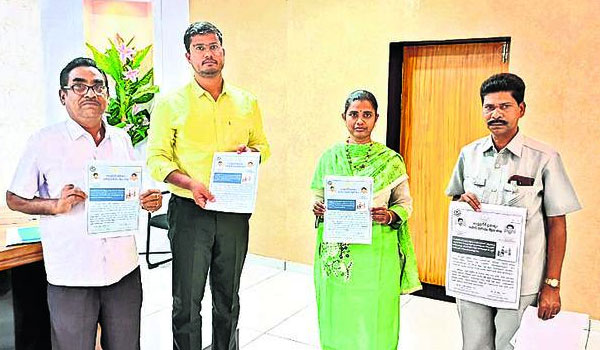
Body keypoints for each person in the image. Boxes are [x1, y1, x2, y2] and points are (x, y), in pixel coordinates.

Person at [5, 57, 163, 350]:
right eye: (79, 86)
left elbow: (137, 187)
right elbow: (14, 198)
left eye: (97, 86)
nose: (90, 93)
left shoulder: (121, 139)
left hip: (123, 270)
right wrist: (54, 205)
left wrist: (148, 198)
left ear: (106, 95)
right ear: (63, 95)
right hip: (71, 274)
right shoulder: (44, 142)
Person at [146, 21, 270, 350]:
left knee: (228, 299)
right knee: (187, 302)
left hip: (233, 212)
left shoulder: (247, 102)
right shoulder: (169, 104)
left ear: (223, 52)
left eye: (213, 46)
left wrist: (251, 155)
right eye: (199, 48)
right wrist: (188, 182)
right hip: (190, 212)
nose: (208, 54)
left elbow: (263, 147)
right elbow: (157, 159)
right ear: (188, 57)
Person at [445, 73, 581, 350]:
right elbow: (456, 201)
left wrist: (552, 284)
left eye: (504, 106)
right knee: (474, 345)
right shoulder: (468, 154)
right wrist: (461, 203)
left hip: (521, 280)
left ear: (521, 109)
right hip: (475, 274)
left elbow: (557, 224)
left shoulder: (544, 158)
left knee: (512, 346)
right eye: (489, 107)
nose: (496, 113)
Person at [311, 90, 421, 349]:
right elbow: (318, 196)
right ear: (344, 117)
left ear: (376, 118)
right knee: (337, 310)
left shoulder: (391, 161)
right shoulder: (329, 157)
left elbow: (405, 204)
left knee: (377, 314)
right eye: (354, 114)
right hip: (338, 254)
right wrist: (317, 207)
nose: (360, 121)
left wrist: (391, 215)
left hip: (377, 254)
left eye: (367, 115)